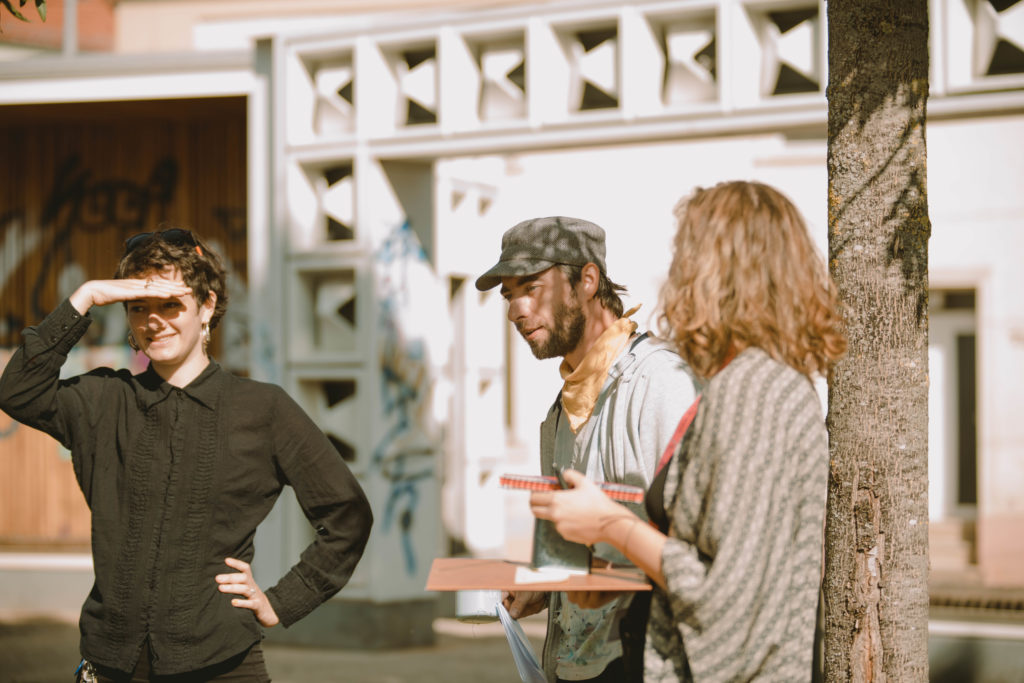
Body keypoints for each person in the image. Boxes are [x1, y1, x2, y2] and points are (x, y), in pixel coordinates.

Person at [0, 228, 373, 682]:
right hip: (109, 661)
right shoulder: (103, 399)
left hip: (222, 663)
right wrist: (87, 296)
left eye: (170, 304)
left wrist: (282, 600)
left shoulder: (264, 409)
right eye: (139, 307)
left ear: (208, 307)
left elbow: (347, 516)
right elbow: (18, 391)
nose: (153, 321)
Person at [529, 181, 847, 682]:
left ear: (720, 272)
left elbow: (727, 597)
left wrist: (610, 526)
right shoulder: (757, 383)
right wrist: (618, 580)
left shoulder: (756, 392)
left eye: (686, 252)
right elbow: (714, 558)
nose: (676, 272)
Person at [475, 216, 698, 683]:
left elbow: (702, 550)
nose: (517, 309)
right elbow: (583, 556)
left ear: (588, 280)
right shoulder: (560, 411)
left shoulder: (661, 384)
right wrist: (549, 589)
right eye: (509, 295)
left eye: (531, 288)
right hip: (576, 669)